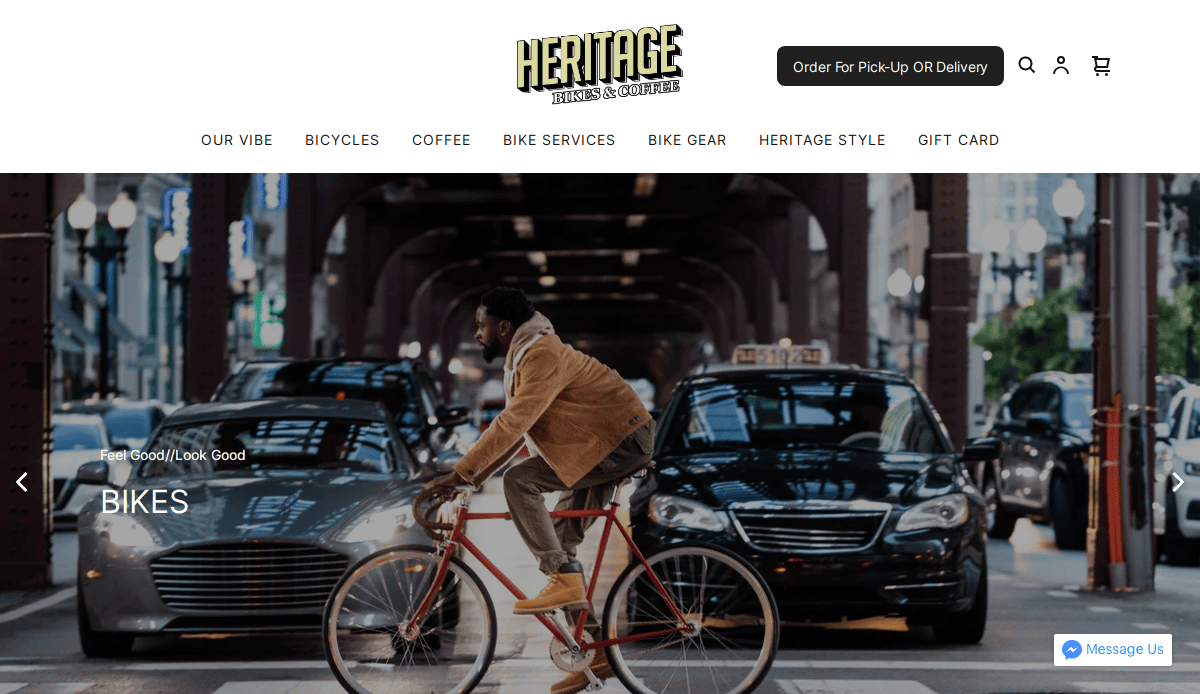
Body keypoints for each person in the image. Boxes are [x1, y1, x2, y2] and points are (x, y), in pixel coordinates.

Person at [430, 286, 653, 694]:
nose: (477, 334)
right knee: (562, 546)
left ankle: (561, 576)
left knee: (519, 481)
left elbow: (513, 423)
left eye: (481, 326)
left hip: (620, 441)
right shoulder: (525, 355)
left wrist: (464, 473)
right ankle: (596, 650)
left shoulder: (541, 353)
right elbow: (517, 430)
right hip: (599, 444)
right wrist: (471, 475)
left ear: (503, 326)